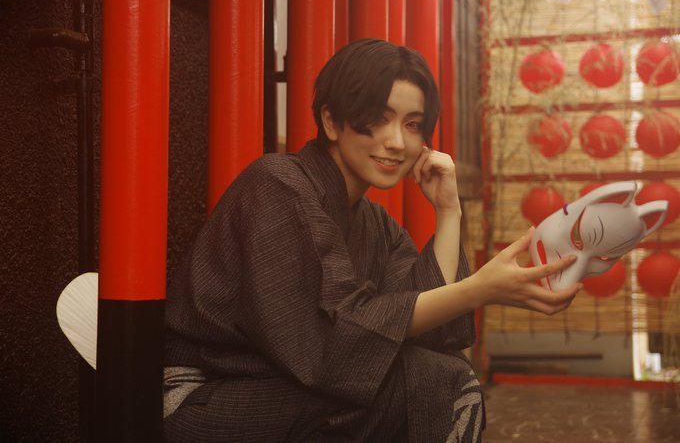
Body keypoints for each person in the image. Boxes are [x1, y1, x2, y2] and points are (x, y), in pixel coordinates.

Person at [163, 38, 581, 442]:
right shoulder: (277, 185)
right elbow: (332, 344)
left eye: (412, 125)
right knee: (434, 382)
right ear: (331, 120)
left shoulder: (375, 223)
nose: (397, 142)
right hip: (205, 395)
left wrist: (448, 211)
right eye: (379, 118)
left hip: (281, 390)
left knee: (436, 371)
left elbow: (432, 330)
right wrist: (478, 290)